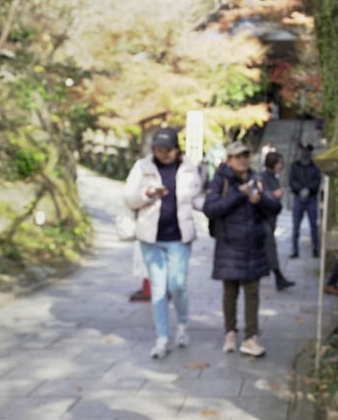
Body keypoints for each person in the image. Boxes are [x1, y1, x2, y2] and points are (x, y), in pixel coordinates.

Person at [123, 127, 203, 359]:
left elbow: (197, 197)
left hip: (179, 237)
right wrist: (147, 193)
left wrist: (215, 207)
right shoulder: (142, 167)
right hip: (151, 237)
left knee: (177, 285)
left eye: (167, 150)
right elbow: (129, 197)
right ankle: (162, 336)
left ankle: (183, 325)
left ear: (176, 150)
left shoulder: (188, 168)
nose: (162, 155)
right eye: (158, 150)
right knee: (158, 289)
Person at [202, 141, 281, 357]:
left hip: (254, 245)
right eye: (237, 157)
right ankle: (230, 332)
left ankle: (251, 336)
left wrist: (259, 199)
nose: (242, 160)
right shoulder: (221, 180)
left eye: (245, 156)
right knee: (230, 292)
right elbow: (210, 208)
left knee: (253, 293)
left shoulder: (257, 178)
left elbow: (276, 207)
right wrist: (239, 194)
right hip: (229, 245)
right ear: (229, 160)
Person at [259, 151, 295, 291]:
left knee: (266, 248)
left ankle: (269, 273)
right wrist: (274, 195)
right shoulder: (262, 177)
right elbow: (260, 195)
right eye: (279, 163)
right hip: (264, 219)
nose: (281, 166)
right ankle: (278, 277)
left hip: (271, 218)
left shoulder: (273, 177)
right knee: (270, 247)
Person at [289, 142, 321, 258]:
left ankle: (315, 249)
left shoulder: (314, 167)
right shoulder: (295, 166)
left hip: (311, 198)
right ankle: (294, 250)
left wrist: (309, 189)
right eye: (303, 150)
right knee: (296, 226)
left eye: (306, 150)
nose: (304, 153)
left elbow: (317, 181)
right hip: (298, 198)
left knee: (313, 225)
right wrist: (299, 189)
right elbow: (292, 181)